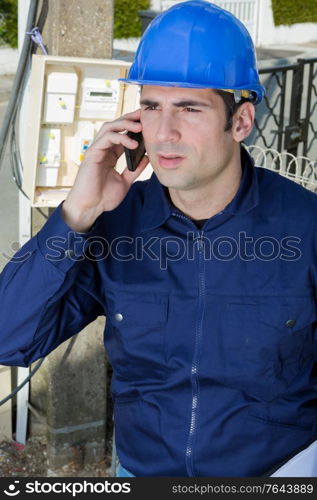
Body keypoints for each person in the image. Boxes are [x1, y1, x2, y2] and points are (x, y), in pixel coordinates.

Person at [0, 0, 317, 477]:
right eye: (151, 106)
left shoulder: (305, 226)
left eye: (189, 109)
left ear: (241, 122)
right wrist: (76, 215)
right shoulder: (116, 223)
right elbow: (9, 337)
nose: (164, 133)